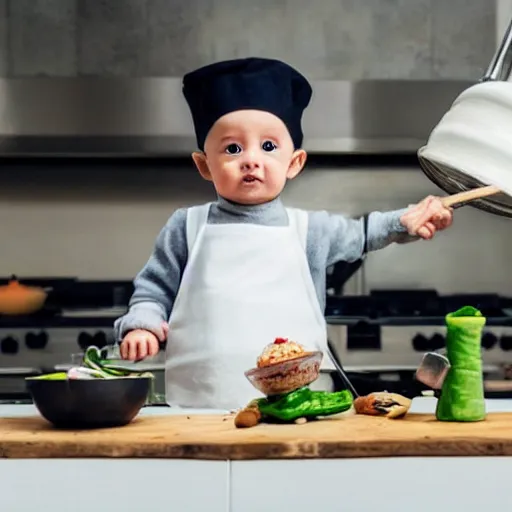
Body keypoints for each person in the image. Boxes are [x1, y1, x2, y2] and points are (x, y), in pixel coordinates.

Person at [113, 57, 453, 410]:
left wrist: (408, 219)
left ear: (294, 163)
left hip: (300, 410)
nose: (251, 160)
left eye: (269, 146)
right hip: (200, 410)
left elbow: (367, 232)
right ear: (204, 165)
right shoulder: (185, 227)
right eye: (232, 148)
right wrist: (143, 326)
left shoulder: (311, 231)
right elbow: (153, 291)